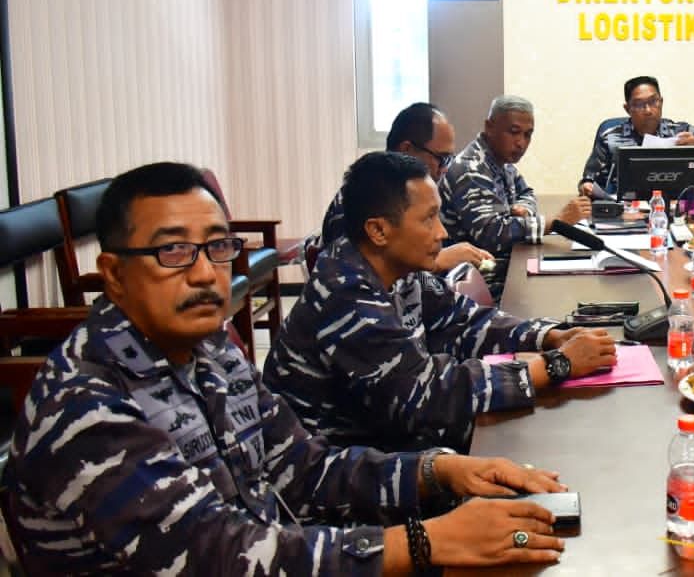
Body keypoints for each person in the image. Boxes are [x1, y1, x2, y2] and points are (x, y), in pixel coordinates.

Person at [2, 162, 568, 574]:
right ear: (113, 274)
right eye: (172, 251)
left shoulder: (211, 350)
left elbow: (303, 468)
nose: (203, 273)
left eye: (218, 248)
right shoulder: (86, 404)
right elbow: (218, 554)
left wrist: (439, 471)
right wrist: (423, 542)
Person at [267, 152, 615, 454]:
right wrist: (554, 366)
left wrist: (549, 336)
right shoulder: (346, 293)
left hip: (392, 448)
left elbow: (463, 320)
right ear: (379, 231)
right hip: (347, 474)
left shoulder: (397, 270)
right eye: (428, 219)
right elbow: (426, 396)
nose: (442, 233)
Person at [311, 102, 492, 275]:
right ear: (407, 150)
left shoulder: (418, 194)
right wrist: (437, 262)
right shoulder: (362, 199)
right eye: (441, 158)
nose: (445, 169)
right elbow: (356, 273)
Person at [439, 96, 591, 295]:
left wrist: (523, 209)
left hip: (505, 269)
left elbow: (526, 193)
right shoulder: (471, 169)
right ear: (489, 127)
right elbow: (492, 234)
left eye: (528, 135)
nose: (521, 143)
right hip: (481, 283)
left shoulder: (501, 162)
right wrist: (556, 223)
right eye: (513, 132)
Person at [578, 75, 694, 197]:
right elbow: (589, 179)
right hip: (626, 211)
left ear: (661, 102)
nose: (648, 110)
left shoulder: (682, 132)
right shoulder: (610, 138)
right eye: (639, 104)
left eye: (653, 102)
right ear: (627, 108)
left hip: (676, 209)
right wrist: (586, 186)